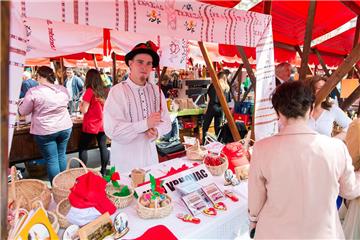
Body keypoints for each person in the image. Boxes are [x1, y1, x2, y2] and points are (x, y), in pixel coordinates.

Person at [248, 81, 360, 239]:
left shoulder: (261, 148)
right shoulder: (336, 148)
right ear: (311, 109)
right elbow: (350, 190)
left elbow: (255, 200)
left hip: (274, 233)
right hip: (322, 234)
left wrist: (253, 221)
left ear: (277, 113)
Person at [103, 41, 171, 173]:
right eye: (140, 62)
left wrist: (157, 131)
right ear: (130, 63)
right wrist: (145, 124)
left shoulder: (156, 91)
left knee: (151, 192)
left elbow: (166, 122)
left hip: (150, 158)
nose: (144, 67)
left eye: (148, 63)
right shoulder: (117, 91)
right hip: (125, 161)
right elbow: (113, 131)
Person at [18, 66, 72, 183]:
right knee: (61, 155)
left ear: (40, 76)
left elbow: (23, 111)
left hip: (46, 130)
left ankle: (57, 187)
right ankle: (63, 185)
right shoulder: (62, 89)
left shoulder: (34, 91)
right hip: (64, 126)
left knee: (52, 159)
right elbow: (67, 102)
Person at [79, 69, 110, 175]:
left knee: (83, 148)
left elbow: (84, 110)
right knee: (103, 146)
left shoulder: (89, 91)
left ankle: (82, 172)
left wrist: (80, 105)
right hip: (102, 123)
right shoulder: (104, 90)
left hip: (91, 124)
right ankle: (104, 171)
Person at [202, 71, 230, 143]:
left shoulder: (214, 85)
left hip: (212, 107)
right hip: (221, 109)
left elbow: (209, 97)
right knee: (217, 128)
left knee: (206, 126)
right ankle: (218, 143)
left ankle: (204, 142)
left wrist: (206, 108)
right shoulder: (227, 87)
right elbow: (227, 101)